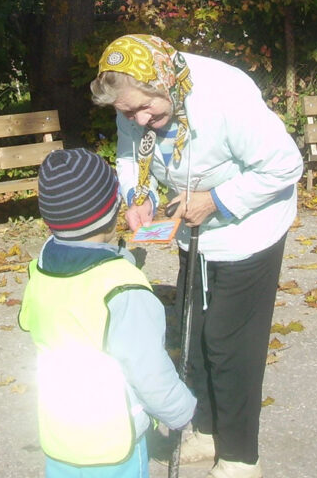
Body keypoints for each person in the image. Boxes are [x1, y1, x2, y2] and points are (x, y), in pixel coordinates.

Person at [90, 35, 304, 478]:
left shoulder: (226, 93)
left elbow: (285, 164)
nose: (141, 120)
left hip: (249, 228)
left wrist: (218, 200)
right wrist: (138, 194)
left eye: (145, 108)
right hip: (193, 229)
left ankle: (242, 456)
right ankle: (205, 432)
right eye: (128, 113)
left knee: (232, 345)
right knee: (196, 332)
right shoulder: (136, 104)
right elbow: (132, 154)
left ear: (163, 79)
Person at [19, 147, 196, 478]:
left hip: (60, 434)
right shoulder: (122, 286)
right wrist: (181, 410)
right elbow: (148, 369)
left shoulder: (41, 271)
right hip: (113, 444)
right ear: (112, 209)